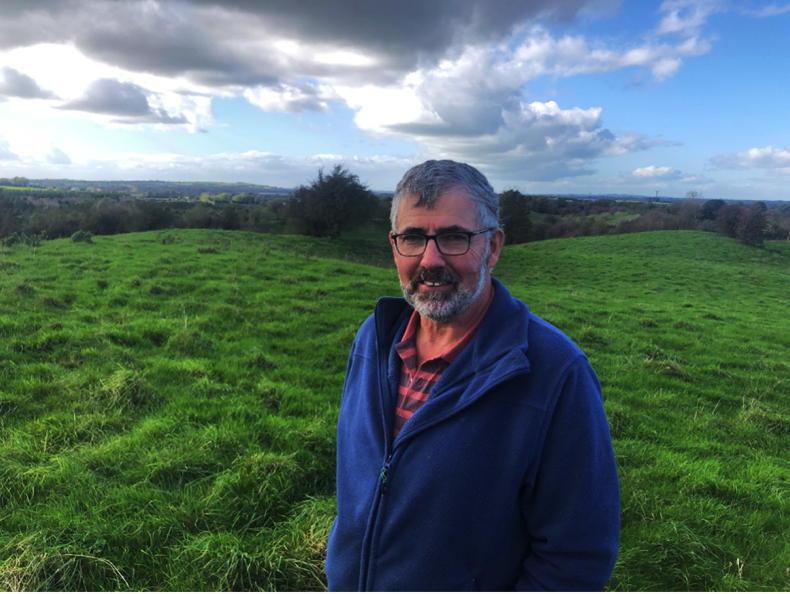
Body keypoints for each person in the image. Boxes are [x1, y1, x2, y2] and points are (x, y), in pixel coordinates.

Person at [325, 160, 620, 591]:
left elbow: (577, 556)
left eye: (454, 237)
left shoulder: (555, 372)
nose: (430, 260)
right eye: (413, 237)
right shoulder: (374, 338)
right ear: (394, 246)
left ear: (493, 247)